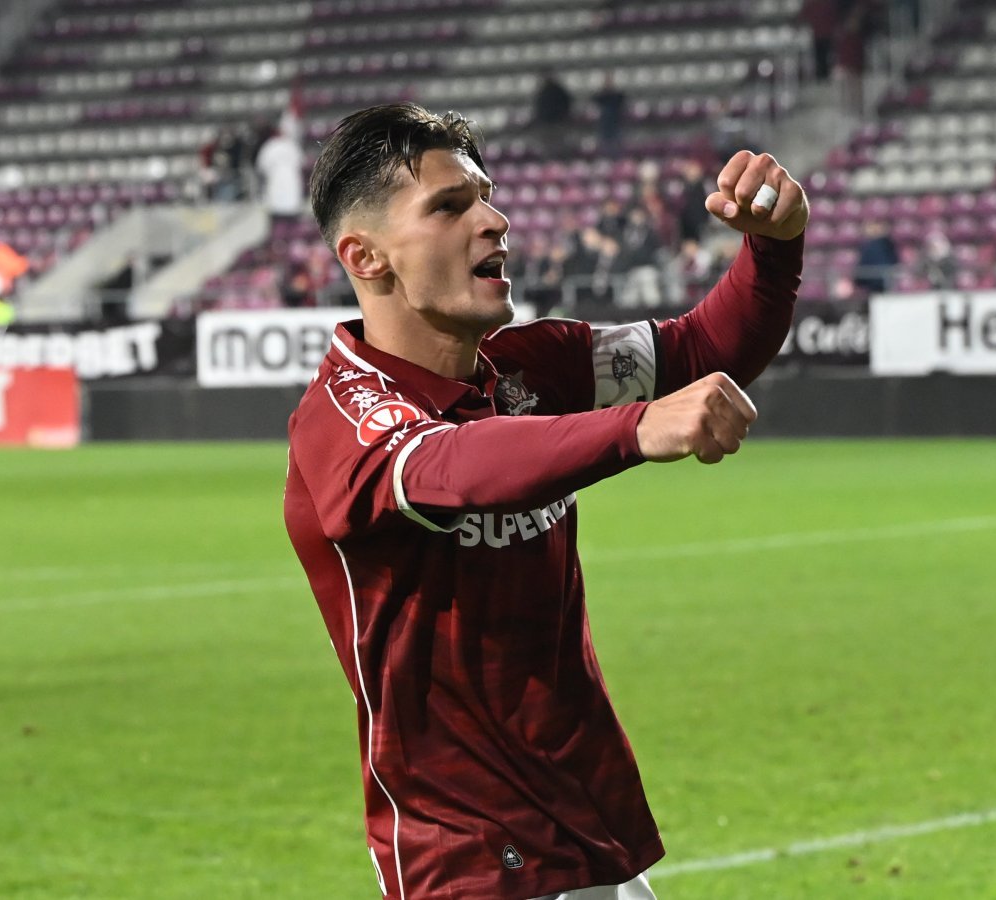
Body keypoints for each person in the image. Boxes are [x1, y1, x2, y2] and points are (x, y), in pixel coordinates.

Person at [283, 102, 807, 900]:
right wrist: (636, 426)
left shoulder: (534, 366)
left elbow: (704, 346)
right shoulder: (345, 416)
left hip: (584, 824)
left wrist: (774, 247)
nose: (493, 221)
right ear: (367, 256)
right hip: (466, 854)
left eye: (486, 197)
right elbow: (449, 466)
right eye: (450, 207)